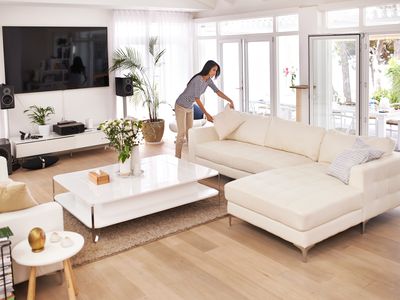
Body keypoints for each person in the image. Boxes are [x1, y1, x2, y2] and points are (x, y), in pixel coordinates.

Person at [174, 60, 234, 158]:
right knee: (182, 133)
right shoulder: (198, 79)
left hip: (190, 107)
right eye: (214, 70)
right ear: (208, 68)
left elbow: (217, 92)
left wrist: (230, 100)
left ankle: (191, 157)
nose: (215, 73)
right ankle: (177, 157)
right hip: (180, 105)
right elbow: (197, 98)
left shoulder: (208, 81)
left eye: (216, 71)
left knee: (190, 133)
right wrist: (206, 114)